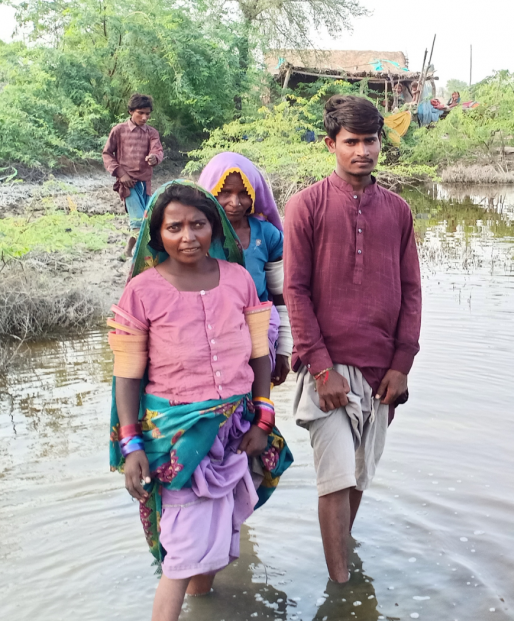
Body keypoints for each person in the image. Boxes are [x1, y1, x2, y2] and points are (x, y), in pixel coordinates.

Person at [108, 180, 293, 621]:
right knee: (181, 557)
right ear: (157, 234)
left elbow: (258, 355)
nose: (187, 236)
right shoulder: (142, 292)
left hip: (234, 430)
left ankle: (203, 606)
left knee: (214, 541)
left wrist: (262, 418)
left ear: (215, 228)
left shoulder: (239, 280)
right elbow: (127, 375)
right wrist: (131, 446)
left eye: (198, 224)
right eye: (174, 227)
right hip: (176, 437)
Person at [283, 95, 422, 584]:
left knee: (359, 476)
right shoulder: (305, 206)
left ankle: (341, 560)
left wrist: (402, 364)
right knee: (336, 476)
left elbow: (411, 292)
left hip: (381, 371)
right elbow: (294, 291)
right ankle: (340, 590)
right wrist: (320, 369)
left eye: (370, 140)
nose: (362, 150)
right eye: (351, 142)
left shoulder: (399, 212)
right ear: (331, 145)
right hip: (327, 370)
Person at [198, 153, 292, 386]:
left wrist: (284, 349)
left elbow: (280, 295)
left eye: (243, 194)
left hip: (259, 338)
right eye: (225, 193)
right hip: (208, 337)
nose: (235, 202)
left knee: (254, 407)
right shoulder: (196, 236)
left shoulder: (267, 235)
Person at [102, 93, 164, 258]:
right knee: (137, 222)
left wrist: (154, 158)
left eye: (148, 114)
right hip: (128, 185)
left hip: (146, 184)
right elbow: (107, 154)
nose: (144, 117)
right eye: (140, 113)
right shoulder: (119, 130)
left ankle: (128, 251)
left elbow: (157, 150)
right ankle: (141, 257)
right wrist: (121, 174)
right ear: (131, 111)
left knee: (147, 220)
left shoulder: (151, 132)